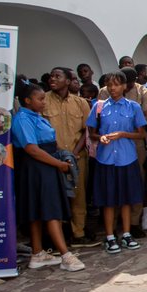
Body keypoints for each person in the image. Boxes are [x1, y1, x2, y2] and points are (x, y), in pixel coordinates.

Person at [12, 82, 84, 272]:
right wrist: (58, 164)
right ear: (27, 101)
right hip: (38, 167)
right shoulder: (22, 119)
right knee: (51, 211)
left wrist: (62, 156)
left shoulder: (36, 117)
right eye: (40, 99)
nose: (44, 102)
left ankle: (37, 253)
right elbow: (32, 148)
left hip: (47, 164)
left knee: (38, 210)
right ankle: (65, 255)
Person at [87, 71, 147, 254]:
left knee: (127, 198)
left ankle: (127, 233)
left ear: (124, 86)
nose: (112, 88)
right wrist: (102, 137)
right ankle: (110, 236)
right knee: (108, 200)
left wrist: (122, 134)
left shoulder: (133, 107)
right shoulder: (98, 106)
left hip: (127, 157)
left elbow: (140, 133)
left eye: (116, 84)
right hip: (106, 159)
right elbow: (92, 133)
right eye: (109, 84)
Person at [43, 67, 94, 248]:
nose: (52, 79)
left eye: (57, 76)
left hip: (77, 157)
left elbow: (87, 130)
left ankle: (78, 232)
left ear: (68, 80)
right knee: (55, 197)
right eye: (51, 76)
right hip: (52, 158)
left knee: (78, 195)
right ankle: (58, 235)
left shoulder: (80, 103)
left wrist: (73, 153)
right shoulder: (44, 101)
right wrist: (59, 154)